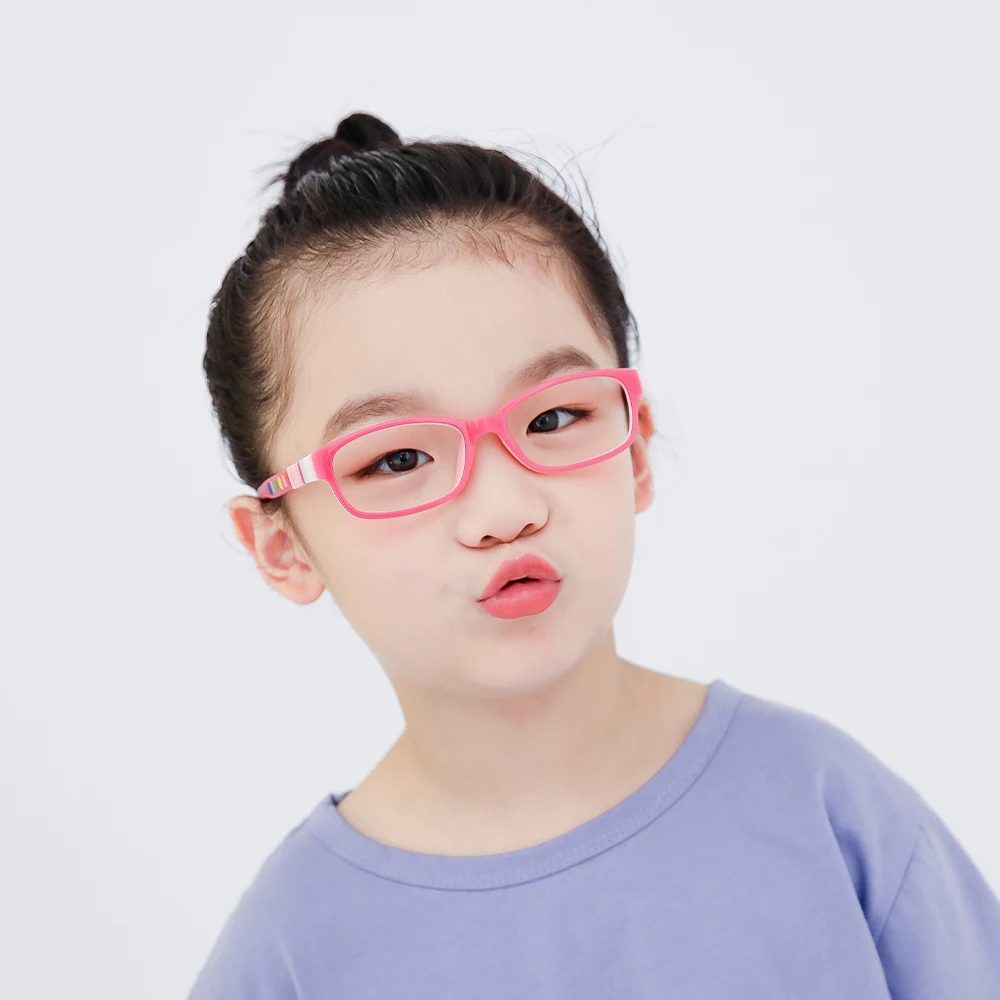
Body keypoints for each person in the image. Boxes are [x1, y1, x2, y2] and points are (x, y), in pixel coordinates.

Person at [189, 112, 1000, 998]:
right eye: (397, 459)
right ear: (281, 547)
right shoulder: (292, 953)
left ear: (636, 447)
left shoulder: (824, 807)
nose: (505, 510)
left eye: (554, 417)